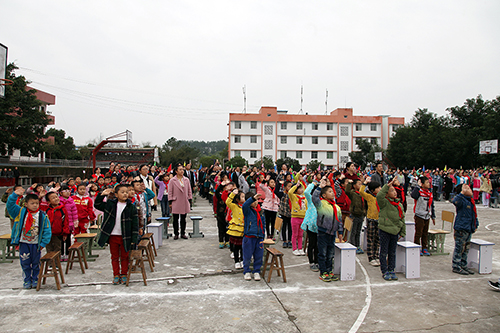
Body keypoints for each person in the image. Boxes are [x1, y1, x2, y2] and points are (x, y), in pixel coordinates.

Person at [7, 187, 51, 289]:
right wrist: (14, 195)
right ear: (26, 204)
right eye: (32, 203)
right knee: (25, 262)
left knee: (35, 263)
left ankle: (35, 278)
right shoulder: (20, 212)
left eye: (37, 203)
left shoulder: (42, 216)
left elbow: (47, 230)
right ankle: (27, 279)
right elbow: (10, 206)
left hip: (36, 244)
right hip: (24, 242)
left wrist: (43, 243)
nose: (35, 205)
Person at [95, 186, 139, 285]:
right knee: (114, 256)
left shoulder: (131, 207)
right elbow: (97, 204)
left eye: (126, 192)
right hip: (113, 235)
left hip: (125, 236)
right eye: (122, 192)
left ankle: (124, 274)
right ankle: (116, 274)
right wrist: (102, 195)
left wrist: (134, 238)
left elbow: (135, 224)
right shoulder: (110, 204)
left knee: (125, 256)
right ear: (116, 194)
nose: (125, 194)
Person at [312, 177, 343, 282]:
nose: (332, 193)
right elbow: (314, 197)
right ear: (324, 195)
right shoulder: (321, 204)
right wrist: (320, 187)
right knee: (323, 253)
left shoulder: (336, 207)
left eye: (332, 191)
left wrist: (340, 232)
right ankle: (323, 271)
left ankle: (329, 270)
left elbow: (339, 220)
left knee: (330, 253)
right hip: (323, 232)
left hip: (332, 233)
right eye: (330, 192)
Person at [377, 179, 406, 281]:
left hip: (395, 231)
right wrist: (387, 186)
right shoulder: (384, 203)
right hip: (385, 230)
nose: (394, 192)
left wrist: (402, 231)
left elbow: (402, 218)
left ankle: (391, 269)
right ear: (387, 193)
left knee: (392, 252)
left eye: (394, 191)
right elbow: (379, 196)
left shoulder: (399, 205)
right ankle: (384, 270)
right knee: (384, 252)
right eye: (392, 191)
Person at [451, 184, 478, 275]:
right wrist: (462, 192)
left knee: (466, 249)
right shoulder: (462, 200)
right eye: (468, 189)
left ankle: (463, 264)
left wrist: (475, 225)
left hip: (468, 228)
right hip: (461, 228)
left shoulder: (470, 201)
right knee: (459, 248)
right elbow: (455, 201)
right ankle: (456, 266)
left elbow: (474, 215)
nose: (470, 190)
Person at [242, 192, 265, 281]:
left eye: (256, 200)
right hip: (249, 237)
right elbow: (244, 205)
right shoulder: (247, 211)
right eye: (253, 201)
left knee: (259, 255)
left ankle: (256, 271)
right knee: (247, 255)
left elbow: (263, 224)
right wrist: (252, 198)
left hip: (259, 237)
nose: (255, 202)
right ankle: (247, 271)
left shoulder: (261, 211)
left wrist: (263, 236)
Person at [411, 177, 436, 256]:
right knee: (419, 233)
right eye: (427, 182)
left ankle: (424, 247)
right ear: (422, 184)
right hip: (419, 215)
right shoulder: (419, 192)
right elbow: (413, 195)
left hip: (427, 215)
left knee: (425, 233)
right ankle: (417, 247)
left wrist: (433, 216)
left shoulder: (429, 193)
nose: (428, 184)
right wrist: (418, 186)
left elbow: (432, 205)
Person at [359, 178, 381, 266]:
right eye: (378, 188)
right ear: (372, 190)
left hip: (379, 220)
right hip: (371, 219)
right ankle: (371, 257)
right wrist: (365, 183)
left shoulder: (381, 197)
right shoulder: (369, 197)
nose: (380, 189)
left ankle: (376, 256)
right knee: (371, 239)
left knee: (377, 239)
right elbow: (361, 191)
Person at [168, 164, 193, 240]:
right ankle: (176, 233)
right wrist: (170, 201)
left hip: (184, 200)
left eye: (183, 169)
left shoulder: (186, 179)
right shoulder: (172, 180)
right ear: (176, 171)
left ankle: (183, 233)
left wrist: (190, 199)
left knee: (183, 218)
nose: (182, 171)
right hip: (176, 200)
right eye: (180, 169)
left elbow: (189, 190)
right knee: (175, 218)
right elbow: (170, 191)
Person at [43, 192, 70, 257]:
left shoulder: (63, 210)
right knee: (49, 249)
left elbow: (65, 222)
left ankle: (57, 264)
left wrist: (65, 233)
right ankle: (50, 264)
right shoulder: (47, 210)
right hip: (47, 234)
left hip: (58, 233)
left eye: (56, 197)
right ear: (49, 202)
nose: (56, 199)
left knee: (57, 249)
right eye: (53, 198)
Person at [346, 178, 367, 254]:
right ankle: (353, 245)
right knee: (353, 231)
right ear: (354, 186)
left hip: (361, 215)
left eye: (361, 184)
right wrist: (349, 183)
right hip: (355, 214)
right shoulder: (353, 193)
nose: (360, 185)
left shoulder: (362, 194)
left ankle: (358, 246)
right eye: (359, 184)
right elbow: (347, 191)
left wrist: (364, 213)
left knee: (358, 232)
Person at [226, 189, 245, 269]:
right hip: (236, 230)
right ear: (237, 199)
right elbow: (228, 202)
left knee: (243, 247)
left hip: (243, 229)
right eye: (242, 197)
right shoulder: (234, 206)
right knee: (236, 247)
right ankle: (237, 261)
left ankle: (242, 260)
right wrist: (232, 194)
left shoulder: (246, 206)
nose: (244, 199)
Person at [59, 184, 78, 261]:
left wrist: (75, 221)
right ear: (60, 193)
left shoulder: (71, 201)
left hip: (69, 223)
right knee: (60, 240)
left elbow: (74, 212)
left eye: (68, 191)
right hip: (60, 223)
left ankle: (67, 253)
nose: (67, 192)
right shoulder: (59, 201)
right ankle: (61, 254)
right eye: (65, 191)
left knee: (68, 240)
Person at [301, 182, 319, 267]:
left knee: (317, 245)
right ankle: (311, 262)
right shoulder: (311, 200)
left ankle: (317, 261)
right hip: (311, 226)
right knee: (311, 244)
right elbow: (306, 192)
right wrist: (313, 184)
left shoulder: (321, 202)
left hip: (319, 227)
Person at [288, 181, 307, 256]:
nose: (301, 190)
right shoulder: (294, 196)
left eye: (302, 188)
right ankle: (294, 249)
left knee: (300, 234)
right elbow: (290, 192)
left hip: (303, 218)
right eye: (299, 189)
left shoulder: (304, 198)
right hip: (295, 217)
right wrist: (296, 186)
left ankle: (300, 248)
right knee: (295, 234)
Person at [260, 175, 280, 240]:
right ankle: (268, 234)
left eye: (274, 182)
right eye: (271, 182)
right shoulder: (267, 189)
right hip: (267, 206)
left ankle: (272, 235)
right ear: (268, 183)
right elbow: (261, 186)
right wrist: (264, 181)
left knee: (273, 222)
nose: (273, 184)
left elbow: (278, 198)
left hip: (274, 207)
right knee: (268, 221)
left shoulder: (276, 190)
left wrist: (278, 205)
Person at [214, 180, 233, 248]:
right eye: (224, 188)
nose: (226, 189)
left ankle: (227, 241)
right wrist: (221, 185)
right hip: (220, 214)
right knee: (221, 228)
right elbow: (216, 191)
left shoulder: (230, 195)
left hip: (228, 215)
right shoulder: (219, 195)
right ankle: (221, 241)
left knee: (228, 228)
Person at [278, 181, 293, 248]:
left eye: (291, 186)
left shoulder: (293, 195)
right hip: (284, 213)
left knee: (290, 228)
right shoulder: (283, 194)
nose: (290, 188)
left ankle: (289, 241)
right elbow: (276, 191)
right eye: (289, 186)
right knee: (284, 227)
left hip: (291, 214)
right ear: (285, 187)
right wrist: (279, 183)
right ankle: (284, 241)